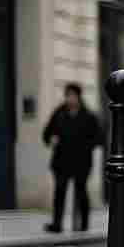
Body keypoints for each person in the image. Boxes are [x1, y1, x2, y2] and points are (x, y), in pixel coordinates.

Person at [41, 82, 102, 233]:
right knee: (60, 190)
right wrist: (51, 139)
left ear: (78, 97)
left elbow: (99, 138)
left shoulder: (88, 116)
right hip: (62, 159)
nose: (70, 99)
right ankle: (57, 223)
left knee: (81, 191)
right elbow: (47, 133)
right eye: (68, 95)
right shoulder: (59, 113)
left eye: (72, 95)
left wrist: (86, 146)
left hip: (81, 160)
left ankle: (84, 224)